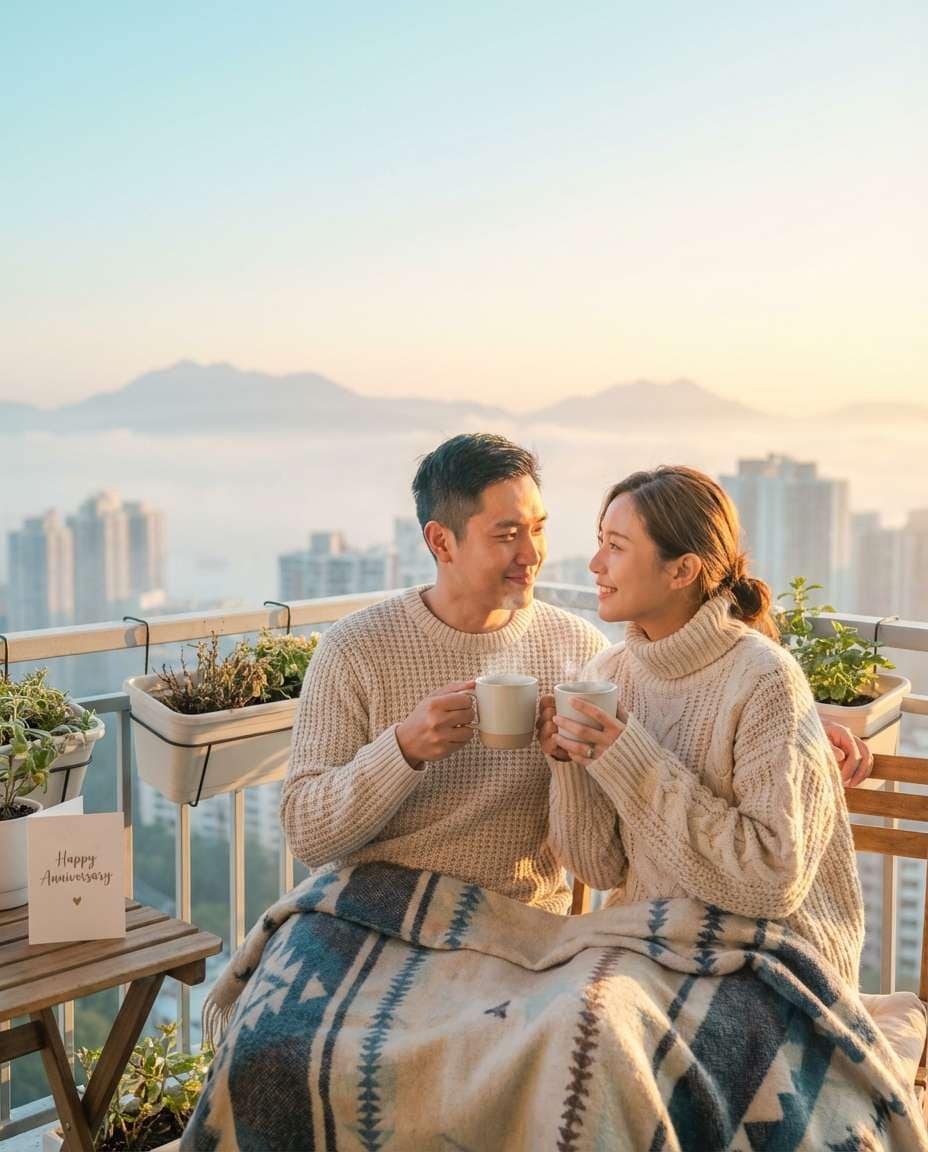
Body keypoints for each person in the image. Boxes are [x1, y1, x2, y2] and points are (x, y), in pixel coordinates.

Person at [539, 466, 865, 984]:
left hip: (768, 961)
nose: (595, 564)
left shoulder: (764, 678)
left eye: (616, 547)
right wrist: (569, 764)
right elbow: (600, 869)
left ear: (682, 570)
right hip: (653, 947)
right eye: (600, 542)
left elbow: (772, 882)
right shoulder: (608, 676)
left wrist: (630, 758)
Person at [280, 433, 608, 912]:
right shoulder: (355, 649)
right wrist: (402, 749)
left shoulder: (580, 650)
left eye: (538, 529)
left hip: (518, 918)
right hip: (372, 911)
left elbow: (598, 865)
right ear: (441, 541)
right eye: (507, 535)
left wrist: (569, 764)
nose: (532, 554)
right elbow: (307, 835)